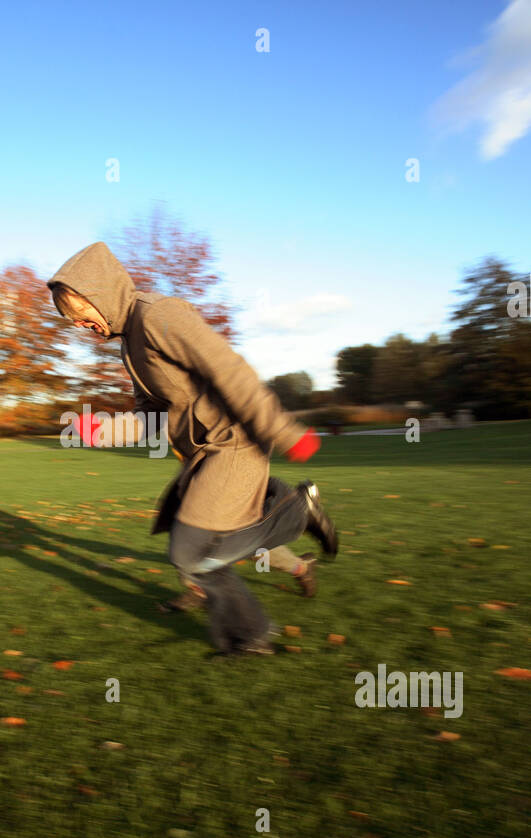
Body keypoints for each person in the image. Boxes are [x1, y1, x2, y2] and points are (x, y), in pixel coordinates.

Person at [47, 241, 338, 655]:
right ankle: (250, 635)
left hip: (234, 444)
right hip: (204, 456)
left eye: (80, 314)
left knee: (192, 549)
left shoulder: (158, 317)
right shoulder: (130, 342)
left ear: (101, 294)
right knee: (198, 552)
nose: (79, 325)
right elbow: (152, 416)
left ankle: (296, 511)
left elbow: (229, 371)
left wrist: (284, 432)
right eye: (70, 320)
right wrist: (102, 430)